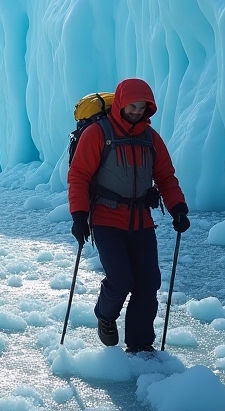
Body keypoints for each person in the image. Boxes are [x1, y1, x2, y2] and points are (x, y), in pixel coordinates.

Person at [67, 77, 189, 354]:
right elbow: (79, 176)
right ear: (121, 103)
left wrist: (177, 207)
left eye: (142, 107)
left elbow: (165, 177)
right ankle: (106, 315)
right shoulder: (98, 133)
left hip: (141, 219)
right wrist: (78, 215)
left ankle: (140, 343)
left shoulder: (150, 138)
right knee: (121, 279)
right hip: (106, 218)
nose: (136, 111)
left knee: (148, 283)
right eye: (132, 106)